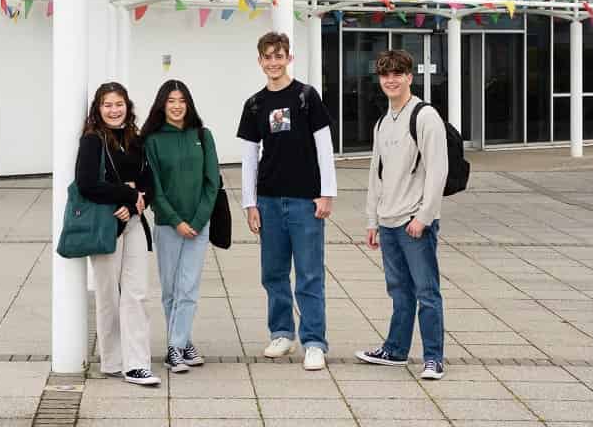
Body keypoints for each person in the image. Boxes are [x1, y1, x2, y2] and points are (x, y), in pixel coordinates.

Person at [237, 31, 335, 370]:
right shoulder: (254, 105)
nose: (274, 62)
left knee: (309, 274)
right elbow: (249, 158)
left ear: (288, 58)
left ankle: (314, 342)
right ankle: (282, 332)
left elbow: (324, 147)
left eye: (279, 56)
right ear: (260, 61)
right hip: (268, 201)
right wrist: (250, 205)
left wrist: (326, 193)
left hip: (305, 202)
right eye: (268, 57)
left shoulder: (307, 97)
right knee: (274, 273)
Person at [356, 48, 448, 380]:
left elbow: (438, 170)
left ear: (410, 77)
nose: (391, 80)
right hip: (389, 220)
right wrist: (372, 220)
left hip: (414, 222)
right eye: (385, 75)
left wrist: (424, 217)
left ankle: (434, 357)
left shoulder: (424, 116)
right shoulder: (383, 122)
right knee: (399, 291)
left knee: (427, 291)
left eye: (398, 74)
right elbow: (375, 173)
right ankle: (395, 350)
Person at [74, 82, 160, 387]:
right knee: (108, 294)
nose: (114, 110)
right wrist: (125, 195)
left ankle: (137, 364)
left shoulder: (136, 139)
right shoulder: (92, 141)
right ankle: (112, 361)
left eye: (119, 104)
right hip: (106, 225)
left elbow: (148, 183)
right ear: (98, 109)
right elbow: (86, 183)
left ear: (128, 105)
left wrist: (138, 204)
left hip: (134, 223)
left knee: (136, 293)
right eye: (107, 105)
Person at [140, 79, 220, 375]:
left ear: (189, 103)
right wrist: (176, 221)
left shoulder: (203, 135)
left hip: (199, 226)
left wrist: (196, 221)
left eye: (181, 100)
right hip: (167, 225)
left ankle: (174, 347)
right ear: (162, 104)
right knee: (171, 289)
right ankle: (183, 342)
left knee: (188, 288)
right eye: (171, 100)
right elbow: (155, 189)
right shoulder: (152, 140)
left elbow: (213, 183)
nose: (176, 106)